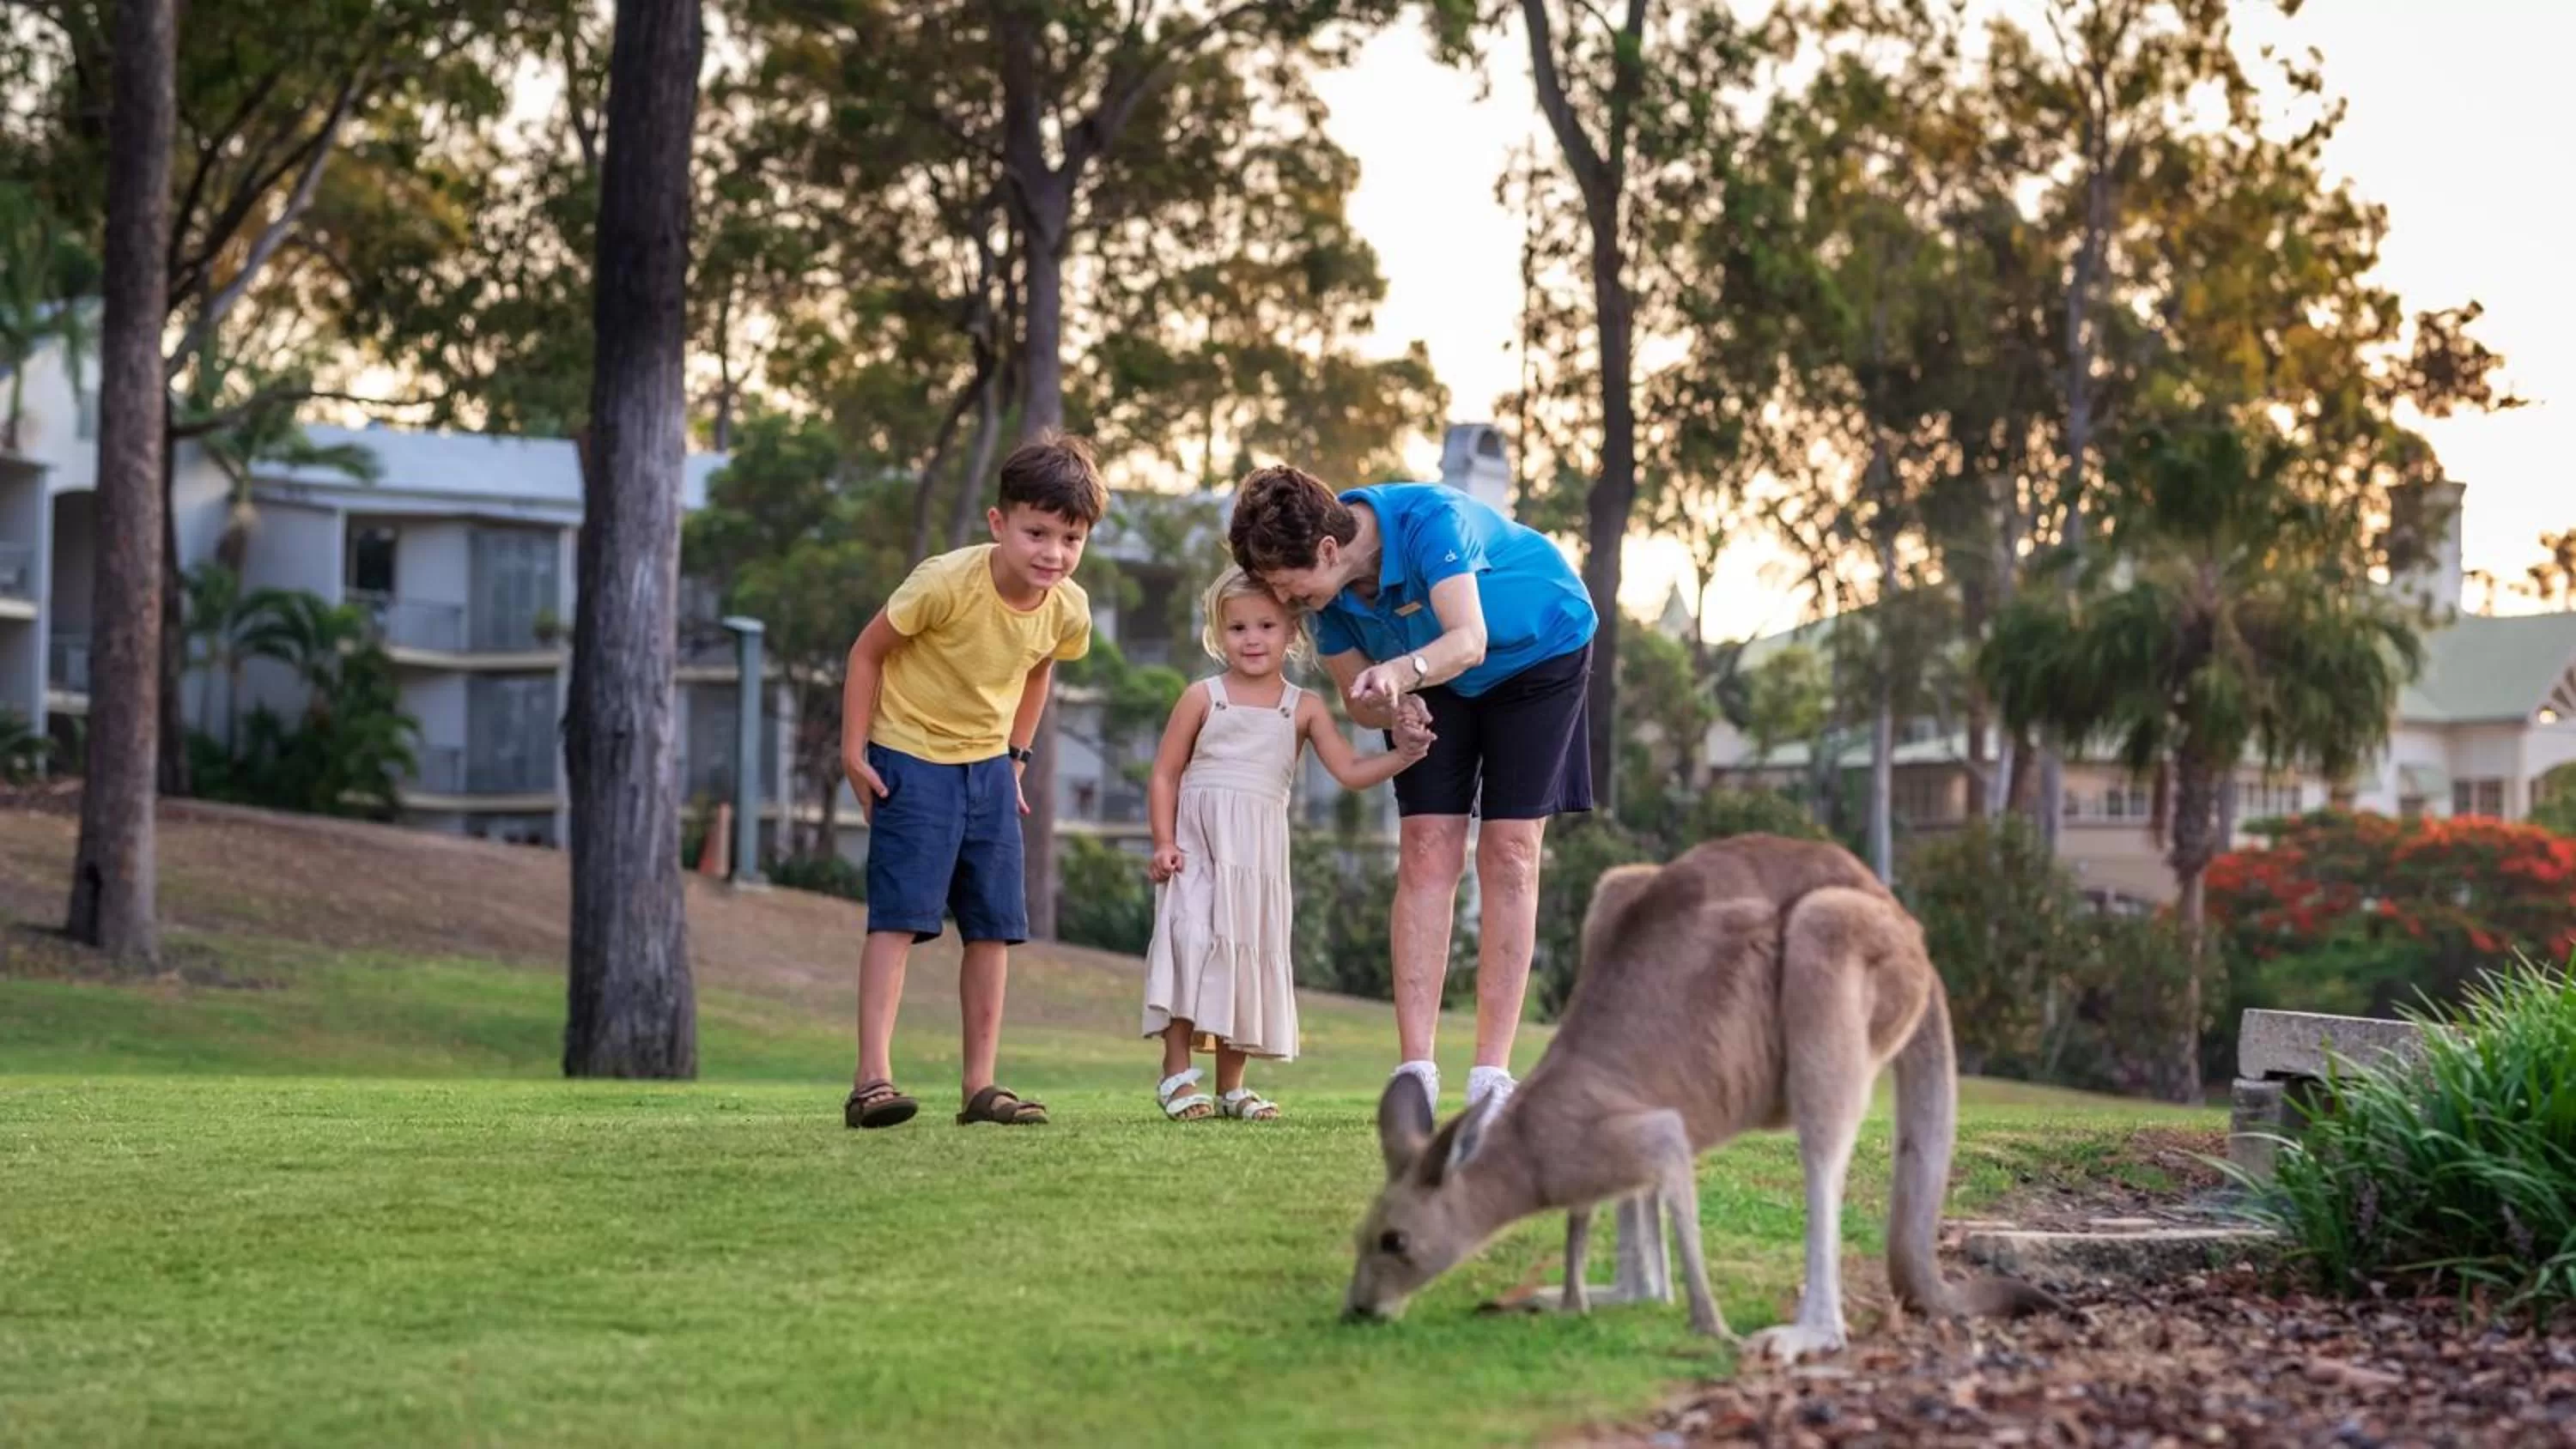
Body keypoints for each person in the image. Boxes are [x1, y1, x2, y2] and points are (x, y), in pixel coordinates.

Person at [1226, 464, 1597, 1116]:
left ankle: (1491, 1076)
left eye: (1288, 584)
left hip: (1539, 654)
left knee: (1509, 852)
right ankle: (1415, 1072)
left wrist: (1400, 673)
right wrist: (1395, 711)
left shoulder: (1431, 522)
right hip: (1432, 675)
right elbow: (1358, 700)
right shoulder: (1327, 597)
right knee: (1427, 845)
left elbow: (1470, 640)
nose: (1283, 600)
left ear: (1328, 550)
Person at [838, 432, 1106, 1130]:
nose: (1053, 553)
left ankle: (980, 1089)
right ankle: (871, 1081)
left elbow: (1041, 666)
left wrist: (1015, 757)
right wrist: (853, 752)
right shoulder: (945, 582)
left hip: (987, 769)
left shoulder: (1066, 608)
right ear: (999, 523)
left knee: (993, 929)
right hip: (910, 757)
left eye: (1070, 538)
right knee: (899, 920)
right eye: (1037, 532)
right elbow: (867, 654)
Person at [1139, 567, 1431, 1122]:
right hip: (1198, 847)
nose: (1252, 638)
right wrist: (1162, 841)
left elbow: (1347, 769)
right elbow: (1164, 775)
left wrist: (1405, 755)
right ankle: (1176, 1076)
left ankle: (1232, 1088)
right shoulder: (1203, 697)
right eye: (1238, 627)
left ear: (1291, 630)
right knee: (1191, 942)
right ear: (1218, 633)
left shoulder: (1305, 707)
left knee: (1243, 951)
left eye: (1266, 626)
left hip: (1258, 855)